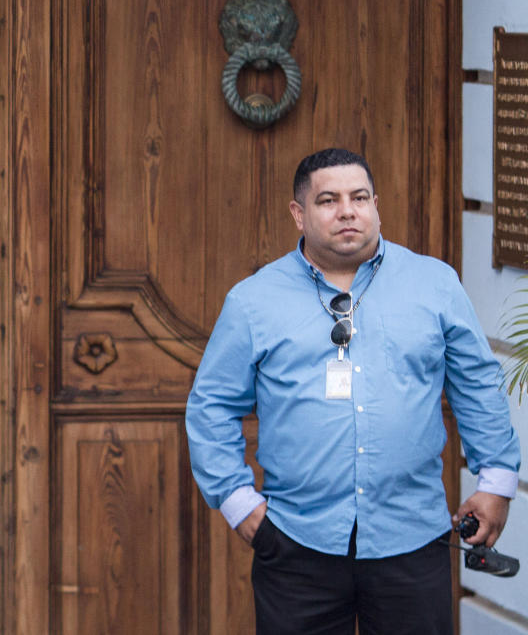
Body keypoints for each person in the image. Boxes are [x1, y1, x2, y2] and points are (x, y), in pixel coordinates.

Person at [186, 148, 521, 635]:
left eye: (359, 197)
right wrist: (240, 505)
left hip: (414, 540)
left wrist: (495, 484)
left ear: (376, 205)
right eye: (328, 200)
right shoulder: (253, 301)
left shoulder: (434, 284)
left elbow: (477, 384)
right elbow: (211, 406)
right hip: (296, 543)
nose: (347, 210)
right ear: (298, 214)